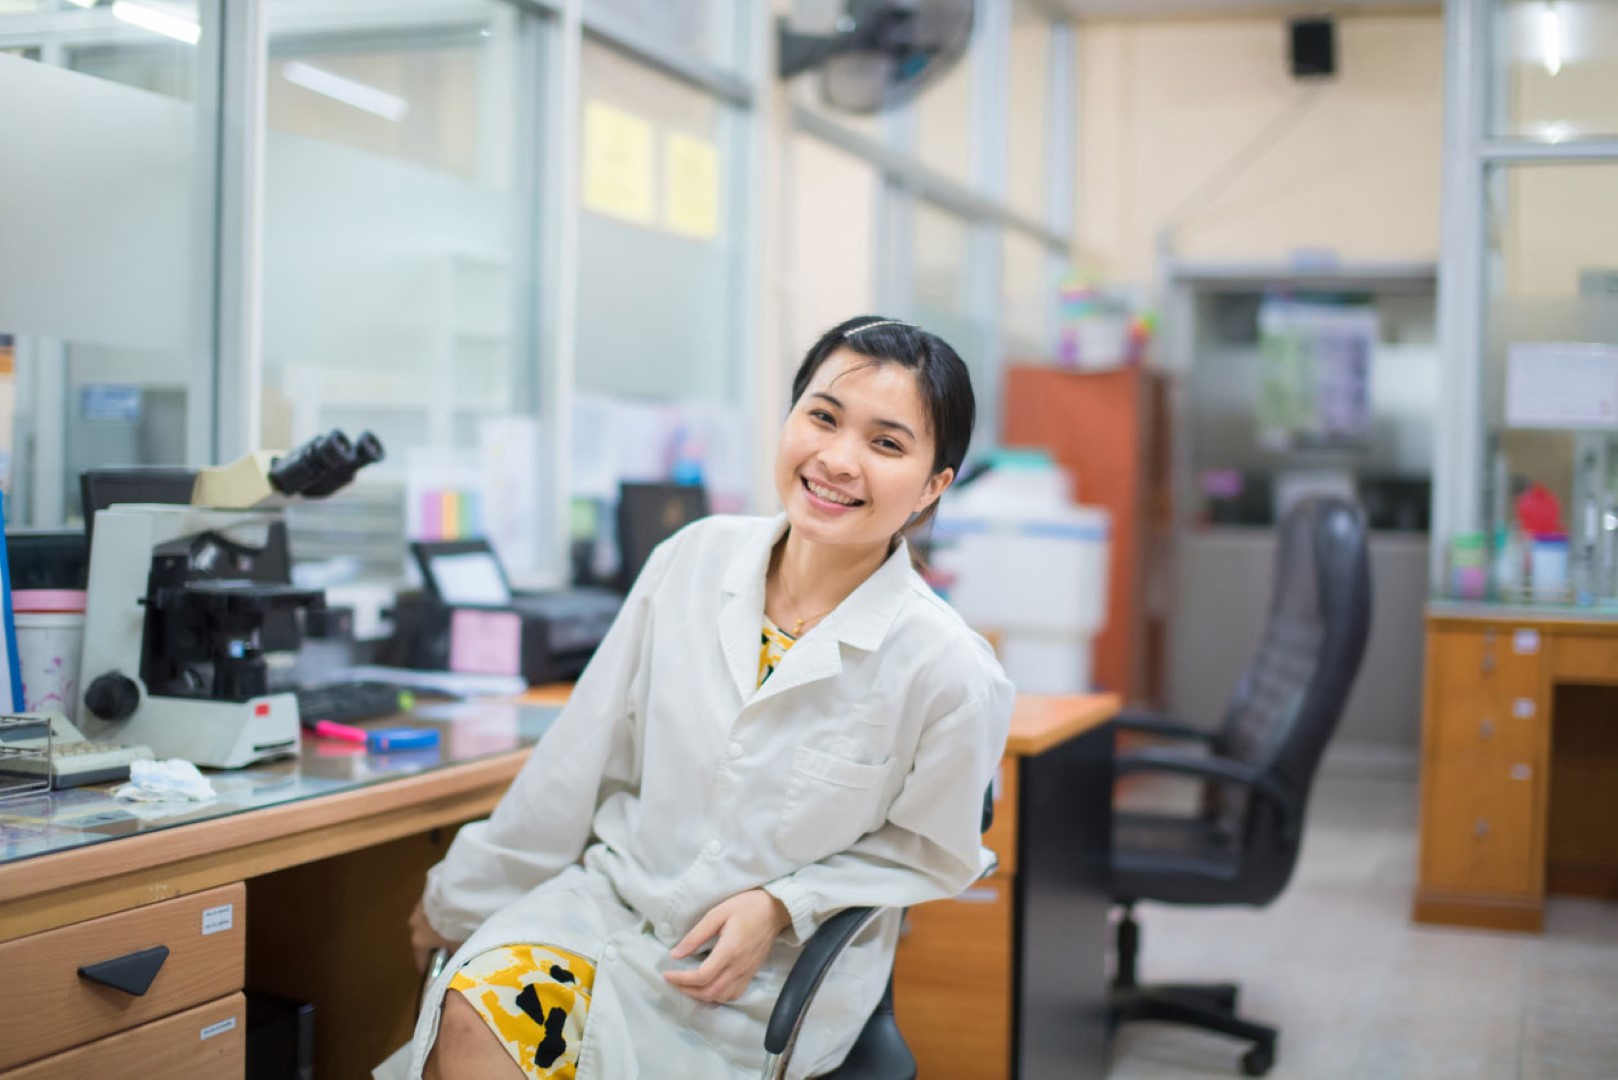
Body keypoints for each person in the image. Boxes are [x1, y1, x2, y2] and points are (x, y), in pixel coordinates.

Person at [390, 316, 1014, 1080]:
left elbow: (931, 851)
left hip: (757, 976)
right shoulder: (692, 558)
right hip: (610, 907)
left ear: (932, 485)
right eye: (822, 417)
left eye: (886, 444)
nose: (838, 459)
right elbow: (578, 758)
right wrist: (461, 900)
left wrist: (786, 902)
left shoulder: (949, 669)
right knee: (474, 1011)